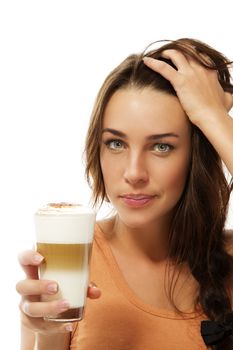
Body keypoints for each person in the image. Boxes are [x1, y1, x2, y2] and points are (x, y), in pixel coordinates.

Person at [16, 38, 233, 350]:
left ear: (194, 157)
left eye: (162, 146)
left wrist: (212, 115)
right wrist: (46, 334)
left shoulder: (229, 260)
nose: (133, 173)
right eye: (116, 143)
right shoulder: (72, 258)